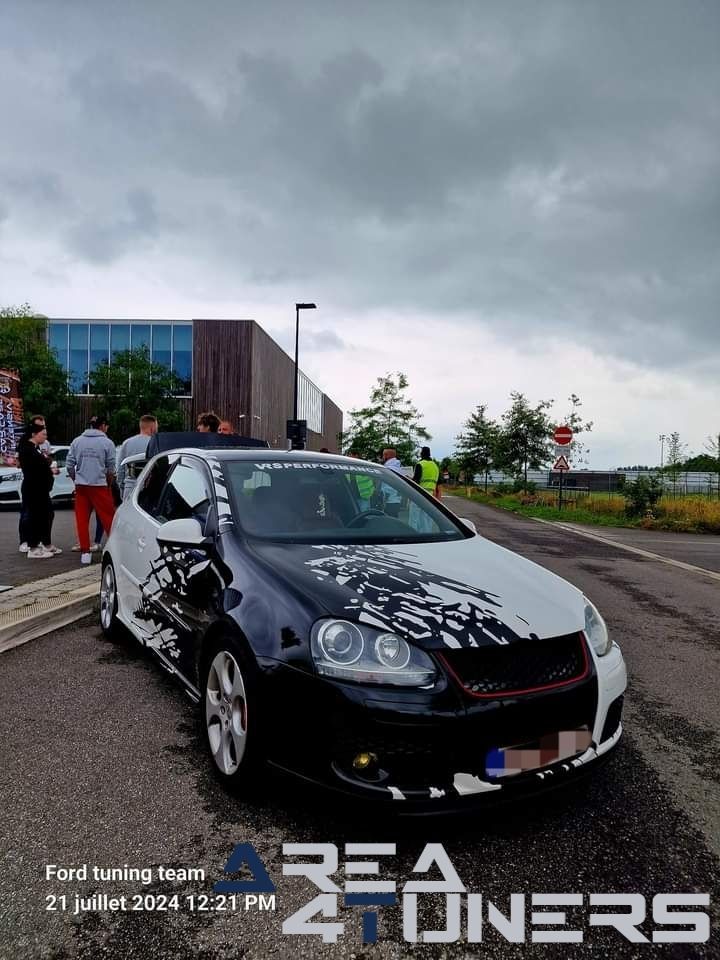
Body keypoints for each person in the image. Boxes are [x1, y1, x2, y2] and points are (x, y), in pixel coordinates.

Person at [66, 415, 117, 565]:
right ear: (102, 426)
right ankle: (115, 549)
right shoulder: (107, 443)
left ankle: (85, 553)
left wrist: (76, 478)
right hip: (100, 484)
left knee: (81, 519)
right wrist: (108, 483)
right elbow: (110, 467)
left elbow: (70, 465)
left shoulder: (77, 441)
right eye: (106, 425)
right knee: (109, 518)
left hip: (81, 485)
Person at [18, 423, 59, 558]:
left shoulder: (35, 449)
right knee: (35, 517)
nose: (45, 437)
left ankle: (44, 543)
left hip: (40, 488)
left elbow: (41, 466)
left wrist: (49, 469)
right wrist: (48, 468)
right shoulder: (27, 449)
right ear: (34, 434)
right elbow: (34, 469)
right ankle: (33, 547)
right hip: (33, 488)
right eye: (43, 434)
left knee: (47, 514)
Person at [116, 414, 158, 500]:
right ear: (152, 428)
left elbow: (120, 469)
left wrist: (122, 487)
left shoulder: (126, 443)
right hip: (150, 489)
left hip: (130, 486)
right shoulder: (156, 444)